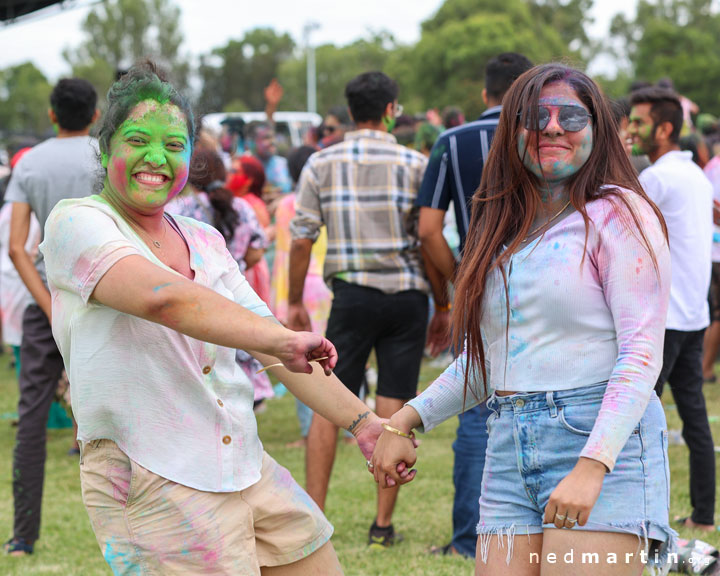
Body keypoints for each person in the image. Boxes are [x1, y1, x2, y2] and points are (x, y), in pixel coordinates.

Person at [39, 61, 387, 574]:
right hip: (153, 476)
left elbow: (277, 346)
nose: (156, 157)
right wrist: (279, 339)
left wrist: (364, 423)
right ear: (106, 145)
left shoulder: (203, 239)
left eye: (175, 145)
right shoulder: (77, 223)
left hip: (243, 463)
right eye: (138, 140)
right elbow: (164, 298)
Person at [372, 63, 676, 575]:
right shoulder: (503, 225)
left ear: (597, 131)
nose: (553, 127)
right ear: (512, 130)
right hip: (509, 446)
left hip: (601, 443)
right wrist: (405, 418)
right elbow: (489, 361)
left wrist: (592, 464)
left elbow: (642, 352)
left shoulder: (618, 212)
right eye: (536, 116)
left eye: (571, 116)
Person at [289, 71, 443, 548]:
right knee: (394, 405)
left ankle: (315, 518)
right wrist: (445, 301)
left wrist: (294, 299)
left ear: (351, 111)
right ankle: (382, 525)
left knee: (327, 404)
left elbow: (301, 237)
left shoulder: (321, 162)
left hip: (352, 296)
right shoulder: (415, 163)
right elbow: (427, 236)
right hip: (407, 296)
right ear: (392, 109)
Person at [416, 52, 532, 558]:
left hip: (480, 286)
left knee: (475, 408)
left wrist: (461, 280)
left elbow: (426, 230)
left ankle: (469, 538)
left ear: (485, 93)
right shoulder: (548, 138)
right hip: (549, 287)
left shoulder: (454, 141)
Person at [4, 78, 100, 557]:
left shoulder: (31, 163)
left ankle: (22, 537)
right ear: (95, 113)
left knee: (33, 415)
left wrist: (45, 301)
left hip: (50, 295)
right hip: (108, 295)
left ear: (51, 114)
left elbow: (17, 248)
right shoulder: (107, 155)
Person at [629, 86, 716, 532]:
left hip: (664, 319)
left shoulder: (658, 178)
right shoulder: (697, 175)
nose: (630, 129)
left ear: (664, 129)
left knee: (636, 420)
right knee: (694, 419)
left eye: (638, 122)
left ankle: (640, 517)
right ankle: (703, 517)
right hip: (694, 314)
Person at [168, 147, 274, 406]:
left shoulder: (176, 209)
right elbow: (256, 254)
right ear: (224, 174)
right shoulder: (243, 208)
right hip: (234, 297)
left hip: (193, 301)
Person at [272, 145, 333, 445]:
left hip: (297, 284)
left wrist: (282, 299)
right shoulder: (328, 200)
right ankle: (347, 429)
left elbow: (285, 253)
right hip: (325, 283)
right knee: (336, 353)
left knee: (301, 358)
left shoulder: (285, 205)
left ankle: (310, 431)